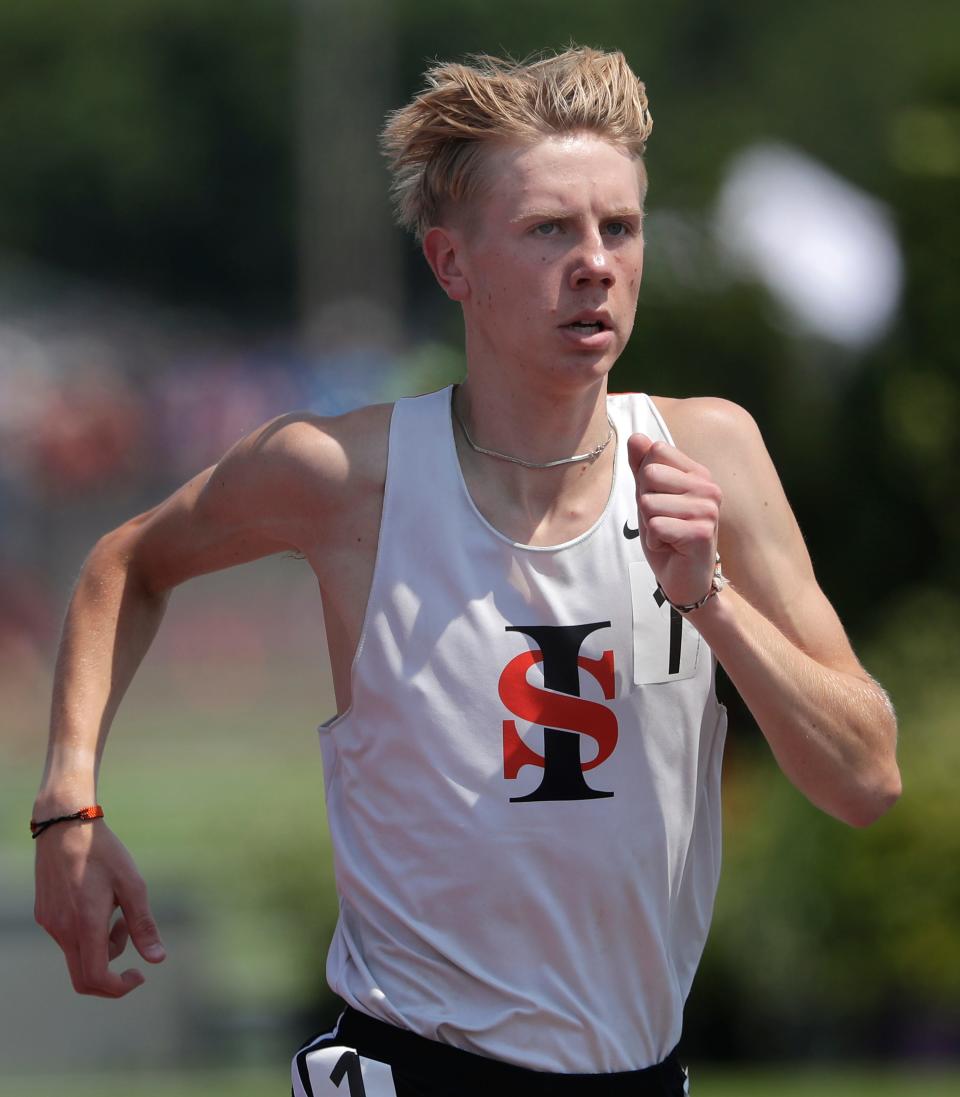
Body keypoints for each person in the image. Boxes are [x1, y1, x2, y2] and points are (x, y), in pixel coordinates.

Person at [32, 47, 900, 1097]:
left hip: (641, 1071)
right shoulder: (347, 475)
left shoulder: (709, 455)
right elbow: (125, 562)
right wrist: (69, 806)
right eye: (549, 230)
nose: (596, 263)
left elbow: (864, 779)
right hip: (412, 1064)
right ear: (452, 265)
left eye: (619, 228)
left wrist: (709, 600)